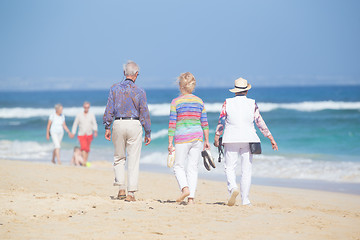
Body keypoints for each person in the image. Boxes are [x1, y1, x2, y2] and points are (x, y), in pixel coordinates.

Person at [214, 77, 278, 206]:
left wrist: (217, 135)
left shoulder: (227, 102)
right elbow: (260, 122)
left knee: (230, 167)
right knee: (246, 170)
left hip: (231, 138)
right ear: (247, 91)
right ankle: (245, 200)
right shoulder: (252, 103)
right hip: (249, 138)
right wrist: (270, 137)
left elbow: (221, 121)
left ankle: (233, 188)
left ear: (235, 91)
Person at [103, 60, 151, 202]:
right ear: (136, 75)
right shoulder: (140, 91)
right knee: (133, 159)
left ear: (124, 73)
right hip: (134, 124)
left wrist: (107, 126)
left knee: (119, 157)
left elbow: (109, 109)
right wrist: (148, 131)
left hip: (118, 123)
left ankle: (121, 189)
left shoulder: (114, 88)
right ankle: (131, 193)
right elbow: (144, 112)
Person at [168, 72, 210, 205]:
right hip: (197, 137)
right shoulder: (199, 101)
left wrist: (170, 142)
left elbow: (172, 123)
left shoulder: (176, 102)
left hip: (182, 138)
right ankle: (191, 199)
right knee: (193, 167)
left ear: (180, 86)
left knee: (178, 166)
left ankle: (185, 189)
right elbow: (205, 123)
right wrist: (207, 141)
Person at [71, 101, 98, 166]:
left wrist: (95, 131)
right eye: (85, 107)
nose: (86, 108)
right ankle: (84, 162)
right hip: (81, 134)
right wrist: (73, 132)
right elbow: (75, 124)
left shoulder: (91, 114)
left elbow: (94, 123)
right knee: (83, 148)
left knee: (87, 149)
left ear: (89, 107)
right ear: (83, 107)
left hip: (89, 134)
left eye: (88, 107)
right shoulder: (79, 115)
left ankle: (85, 161)